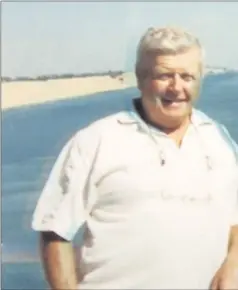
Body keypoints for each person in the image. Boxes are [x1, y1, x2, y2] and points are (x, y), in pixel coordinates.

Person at [32, 26, 238, 289]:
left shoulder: (218, 138)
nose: (176, 87)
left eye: (187, 76)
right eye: (164, 76)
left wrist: (232, 265)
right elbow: (55, 231)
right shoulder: (96, 141)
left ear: (199, 79)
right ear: (141, 79)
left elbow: (234, 218)